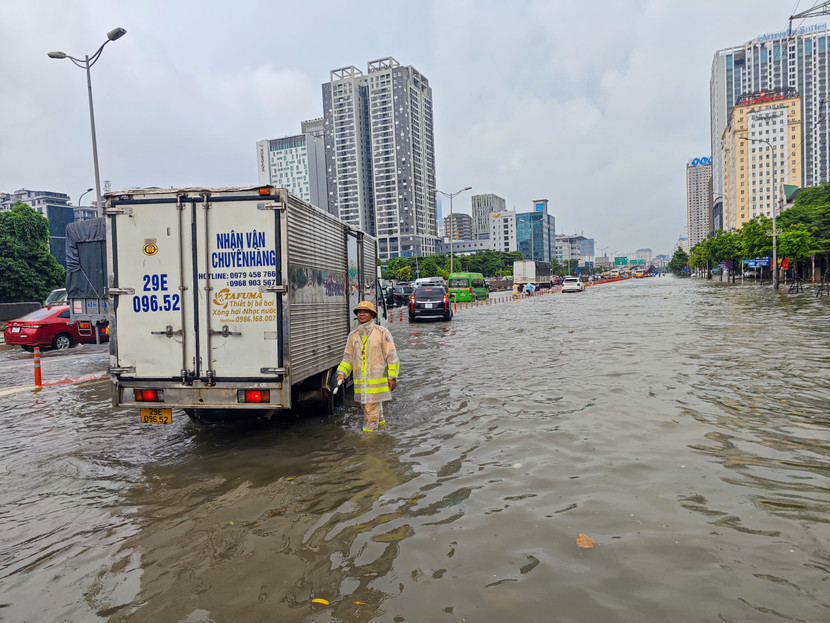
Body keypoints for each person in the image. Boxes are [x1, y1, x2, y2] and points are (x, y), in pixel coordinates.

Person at [336, 301, 400, 432]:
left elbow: (391, 355)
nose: (362, 314)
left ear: (372, 315)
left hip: (376, 385)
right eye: (359, 312)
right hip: (361, 386)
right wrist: (341, 373)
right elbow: (348, 358)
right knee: (375, 412)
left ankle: (369, 447)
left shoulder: (382, 333)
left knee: (370, 418)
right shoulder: (353, 336)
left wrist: (392, 376)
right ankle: (384, 435)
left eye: (365, 312)